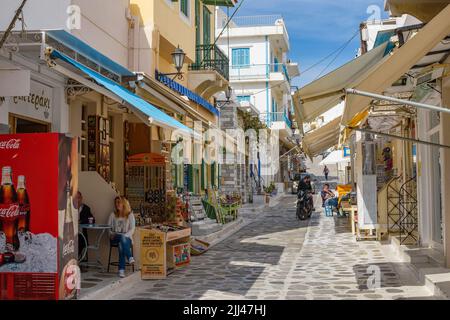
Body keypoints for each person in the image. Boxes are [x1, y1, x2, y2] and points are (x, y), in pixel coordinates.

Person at [108, 196, 136, 278]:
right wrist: (110, 233)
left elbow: (132, 229)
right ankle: (129, 257)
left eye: (119, 202)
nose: (117, 204)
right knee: (121, 239)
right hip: (115, 237)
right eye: (116, 203)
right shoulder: (113, 214)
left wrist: (124, 236)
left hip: (127, 239)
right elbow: (108, 227)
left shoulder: (130, 215)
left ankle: (121, 270)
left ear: (124, 203)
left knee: (121, 244)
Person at [76, 191, 95, 262]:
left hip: (81, 234)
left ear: (81, 198)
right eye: (75, 198)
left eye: (78, 198)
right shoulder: (69, 207)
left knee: (80, 241)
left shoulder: (86, 208)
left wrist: (81, 221)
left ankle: (77, 261)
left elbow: (92, 220)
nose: (77, 200)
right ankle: (76, 260)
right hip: (69, 235)